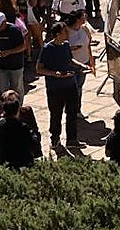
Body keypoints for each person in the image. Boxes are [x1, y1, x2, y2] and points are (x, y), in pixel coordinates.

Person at [36, 21, 89, 150]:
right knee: (56, 114)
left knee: (72, 113)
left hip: (70, 85)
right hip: (55, 87)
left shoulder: (66, 45)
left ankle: (72, 139)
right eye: (65, 31)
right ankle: (55, 138)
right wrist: (55, 74)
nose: (67, 33)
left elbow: (70, 60)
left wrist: (81, 66)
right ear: (58, 34)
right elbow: (39, 69)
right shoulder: (48, 49)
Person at [0, 92, 40, 168]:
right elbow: (33, 141)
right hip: (23, 161)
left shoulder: (0, 123)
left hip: (6, 161)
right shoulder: (22, 127)